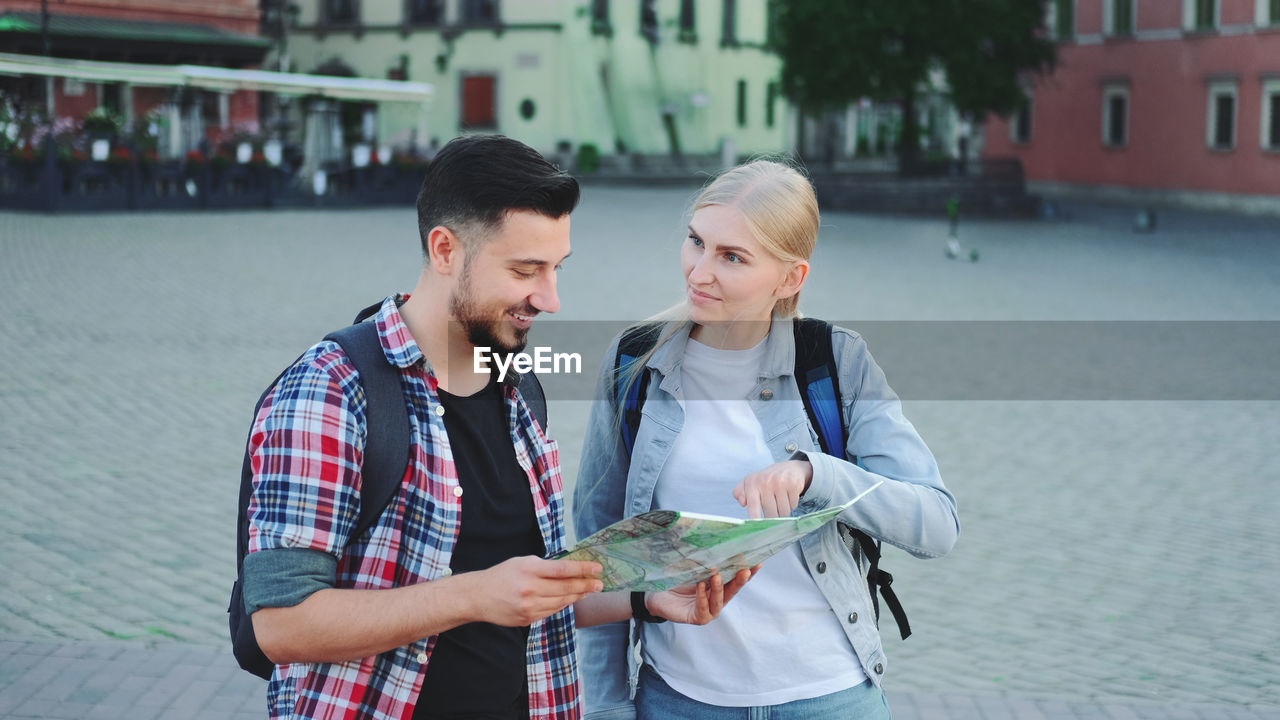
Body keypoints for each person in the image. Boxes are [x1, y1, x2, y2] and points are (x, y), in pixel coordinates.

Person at [242, 134, 752, 720]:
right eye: (525, 270)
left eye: (556, 268)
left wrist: (647, 599)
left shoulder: (517, 386)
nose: (551, 297)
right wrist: (474, 594)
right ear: (444, 250)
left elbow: (524, 592)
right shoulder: (331, 390)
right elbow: (280, 624)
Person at [573, 160, 960, 719]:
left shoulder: (836, 362)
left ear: (790, 279)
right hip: (680, 701)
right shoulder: (635, 362)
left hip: (830, 699)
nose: (699, 272)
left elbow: (937, 523)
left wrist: (817, 475)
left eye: (732, 257)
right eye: (696, 242)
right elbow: (599, 548)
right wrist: (606, 706)